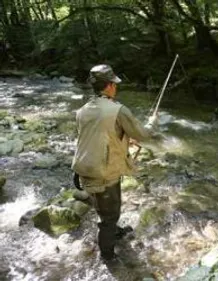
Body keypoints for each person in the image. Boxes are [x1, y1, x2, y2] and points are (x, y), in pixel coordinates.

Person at [71, 64, 159, 261]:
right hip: (103, 173)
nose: (116, 87)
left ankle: (112, 231)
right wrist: (153, 121)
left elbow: (94, 137)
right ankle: (108, 258)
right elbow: (144, 134)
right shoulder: (118, 110)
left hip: (83, 170)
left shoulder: (83, 110)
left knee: (104, 208)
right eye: (115, 84)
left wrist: (126, 139)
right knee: (110, 216)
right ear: (109, 86)